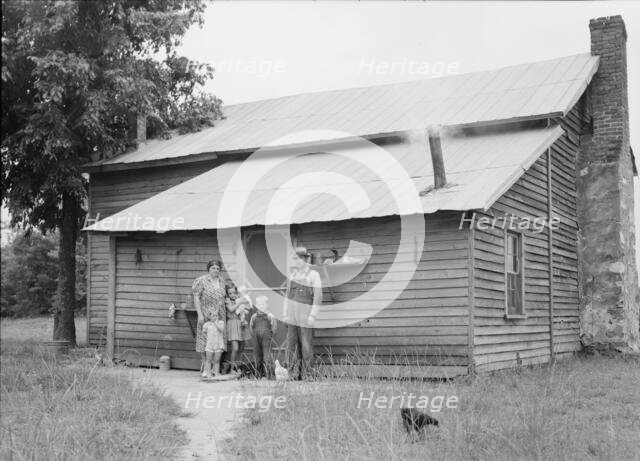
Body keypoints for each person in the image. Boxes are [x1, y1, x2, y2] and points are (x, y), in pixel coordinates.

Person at [283, 247, 322, 380]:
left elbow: (318, 297)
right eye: (295, 259)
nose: (298, 261)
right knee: (291, 344)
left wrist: (313, 315)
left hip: (305, 313)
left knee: (306, 344)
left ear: (306, 259)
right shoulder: (292, 276)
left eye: (300, 259)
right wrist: (285, 315)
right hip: (292, 314)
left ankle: (308, 374)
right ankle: (294, 374)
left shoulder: (313, 275)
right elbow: (287, 297)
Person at [192, 260, 227, 376]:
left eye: (217, 268)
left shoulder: (222, 281)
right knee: (204, 339)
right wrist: (200, 315)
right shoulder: (201, 281)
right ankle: (206, 367)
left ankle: (215, 368)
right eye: (213, 268)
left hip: (219, 314)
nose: (215, 270)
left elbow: (223, 297)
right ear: (208, 269)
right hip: (206, 313)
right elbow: (196, 298)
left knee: (218, 339)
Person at [223, 284, 252, 373]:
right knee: (235, 348)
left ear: (237, 293)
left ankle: (238, 367)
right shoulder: (227, 300)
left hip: (241, 323)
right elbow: (231, 309)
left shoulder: (240, 298)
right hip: (232, 323)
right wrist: (239, 303)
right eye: (230, 293)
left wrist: (246, 304)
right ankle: (231, 369)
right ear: (227, 294)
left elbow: (249, 308)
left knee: (241, 348)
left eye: (234, 293)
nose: (232, 295)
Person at [250, 295, 277, 379]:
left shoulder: (270, 316)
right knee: (257, 355)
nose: (261, 306)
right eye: (259, 304)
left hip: (266, 337)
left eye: (263, 304)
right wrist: (254, 336)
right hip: (256, 337)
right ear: (256, 305)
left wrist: (270, 336)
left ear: (267, 305)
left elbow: (274, 328)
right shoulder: (254, 316)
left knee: (267, 355)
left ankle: (269, 375)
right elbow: (251, 328)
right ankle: (258, 375)